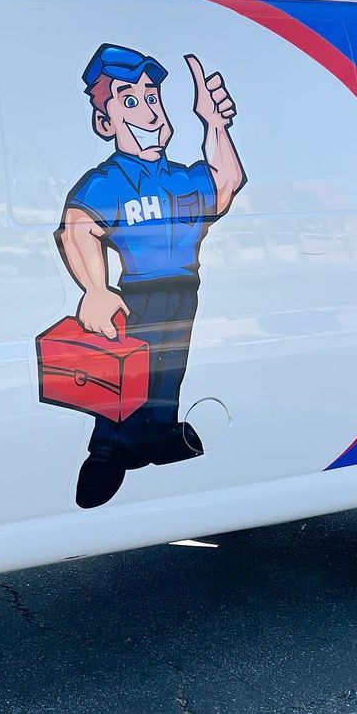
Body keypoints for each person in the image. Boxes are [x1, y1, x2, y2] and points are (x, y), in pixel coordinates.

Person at [55, 43, 246, 509]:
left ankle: (159, 434)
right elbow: (77, 227)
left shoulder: (179, 177)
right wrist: (96, 289)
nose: (150, 112)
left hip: (184, 289)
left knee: (169, 367)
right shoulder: (110, 180)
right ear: (106, 123)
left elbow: (225, 183)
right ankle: (108, 451)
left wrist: (214, 123)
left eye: (153, 98)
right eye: (131, 101)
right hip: (137, 293)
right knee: (125, 371)